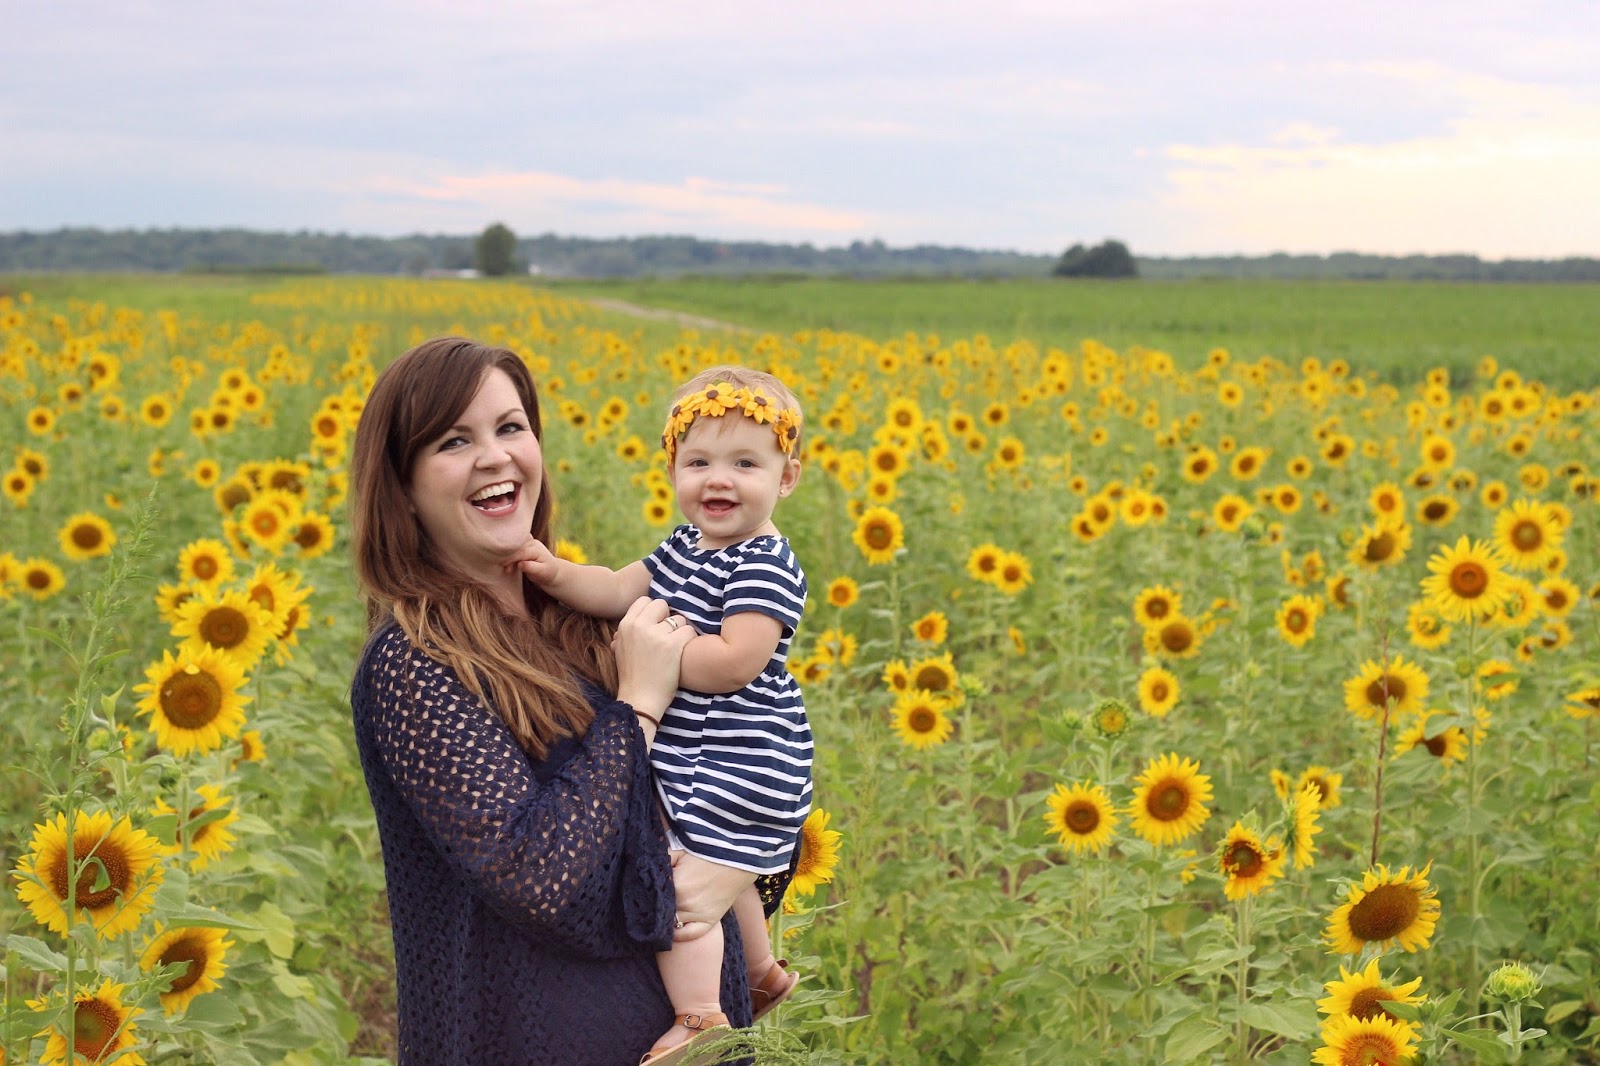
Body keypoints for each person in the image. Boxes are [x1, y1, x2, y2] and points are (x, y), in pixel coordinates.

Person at [347, 338, 791, 1065]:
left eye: (510, 427)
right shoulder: (413, 664)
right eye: (455, 441)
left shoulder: (584, 616)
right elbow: (541, 876)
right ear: (402, 485)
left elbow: (724, 764)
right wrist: (638, 707)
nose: (495, 456)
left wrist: (733, 871)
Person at [509, 365, 811, 1064]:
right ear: (672, 470)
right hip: (707, 751)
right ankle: (761, 972)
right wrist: (555, 573)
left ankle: (700, 1014)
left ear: (786, 478)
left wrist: (656, 661)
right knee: (723, 862)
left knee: (675, 882)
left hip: (740, 758)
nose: (719, 480)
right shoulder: (683, 547)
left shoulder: (763, 564)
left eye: (745, 464)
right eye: (699, 462)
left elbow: (737, 661)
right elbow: (617, 588)